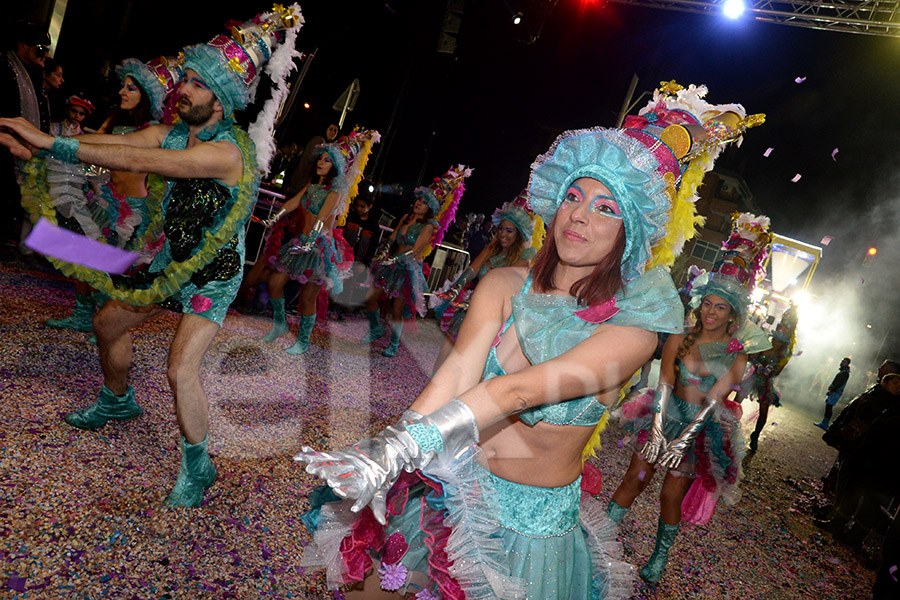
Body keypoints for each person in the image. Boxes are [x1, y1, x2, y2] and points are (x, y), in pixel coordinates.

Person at [296, 81, 763, 598]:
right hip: (450, 486)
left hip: (527, 533)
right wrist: (392, 452)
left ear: (631, 232)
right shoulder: (502, 284)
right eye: (574, 196)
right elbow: (456, 374)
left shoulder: (632, 330)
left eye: (607, 208)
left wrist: (401, 445)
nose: (580, 215)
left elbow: (516, 393)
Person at [0, 5, 303, 507]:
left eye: (198, 85)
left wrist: (51, 141)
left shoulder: (228, 153)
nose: (183, 88)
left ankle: (197, 464)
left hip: (212, 275)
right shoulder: (172, 132)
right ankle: (118, 401)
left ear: (224, 101)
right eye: (184, 78)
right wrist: (43, 153)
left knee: (180, 367)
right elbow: (117, 151)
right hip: (168, 263)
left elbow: (146, 160)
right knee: (106, 324)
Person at [610, 211, 772, 582]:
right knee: (635, 477)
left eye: (720, 307)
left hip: (699, 429)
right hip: (662, 414)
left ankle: (659, 559)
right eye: (707, 304)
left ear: (733, 314)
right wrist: (655, 430)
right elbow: (664, 380)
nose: (711, 312)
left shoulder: (736, 353)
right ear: (699, 303)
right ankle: (600, 536)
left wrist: (683, 440)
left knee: (670, 497)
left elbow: (715, 399)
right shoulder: (680, 338)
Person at [39, 56, 181, 334]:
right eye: (124, 86)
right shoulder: (115, 120)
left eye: (131, 88)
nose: (122, 92)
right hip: (105, 201)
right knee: (81, 259)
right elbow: (94, 155)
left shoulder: (154, 131)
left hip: (132, 212)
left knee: (109, 273)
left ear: (148, 95)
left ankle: (106, 326)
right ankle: (82, 315)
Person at [258, 128, 380, 354]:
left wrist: (310, 241)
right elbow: (294, 202)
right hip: (301, 241)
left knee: (308, 297)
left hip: (319, 248)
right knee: (275, 283)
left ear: (335, 166)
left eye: (327, 160)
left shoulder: (336, 190)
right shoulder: (312, 186)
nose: (321, 162)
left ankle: (303, 341)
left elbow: (323, 216)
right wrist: (272, 218)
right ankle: (280, 325)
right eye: (321, 158)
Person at [362, 165, 471, 357]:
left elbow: (415, 250)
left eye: (424, 202)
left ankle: (394, 343)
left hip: (408, 268)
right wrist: (386, 249)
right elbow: (393, 237)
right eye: (419, 199)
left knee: (397, 309)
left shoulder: (429, 226)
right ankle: (376, 328)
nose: (418, 203)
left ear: (431, 207)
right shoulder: (406, 217)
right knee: (371, 297)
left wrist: (393, 259)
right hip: (391, 265)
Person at [430, 192, 543, 371]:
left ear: (520, 234)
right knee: (446, 352)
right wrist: (456, 287)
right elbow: (473, 269)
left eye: (509, 230)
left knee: (471, 362)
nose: (503, 234)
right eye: (501, 228)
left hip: (494, 319)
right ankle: (434, 390)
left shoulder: (524, 259)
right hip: (471, 306)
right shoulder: (492, 248)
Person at [0, 22, 51, 246]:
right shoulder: (4, 68)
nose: (46, 54)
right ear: (22, 46)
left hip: (22, 151)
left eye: (47, 50)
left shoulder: (34, 73)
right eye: (40, 48)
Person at [744, 303, 797, 451]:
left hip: (765, 384)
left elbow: (776, 372)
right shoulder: (763, 345)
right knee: (736, 398)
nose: (776, 342)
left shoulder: (782, 356)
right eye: (776, 338)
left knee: (763, 412)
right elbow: (749, 356)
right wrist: (752, 356)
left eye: (779, 341)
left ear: (783, 343)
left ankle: (755, 436)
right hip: (751, 377)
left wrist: (767, 369)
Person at [814, 357, 851, 430]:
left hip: (836, 392)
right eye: (842, 361)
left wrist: (832, 390)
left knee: (829, 407)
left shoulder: (845, 373)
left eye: (845, 362)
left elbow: (839, 384)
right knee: (828, 406)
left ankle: (825, 423)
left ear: (847, 364)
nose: (842, 362)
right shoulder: (843, 372)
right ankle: (824, 422)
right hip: (835, 391)